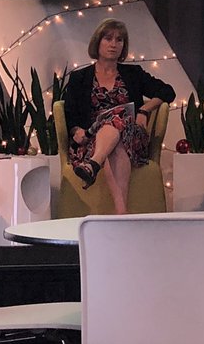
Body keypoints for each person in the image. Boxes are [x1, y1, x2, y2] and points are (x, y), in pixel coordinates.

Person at [63, 18, 175, 214]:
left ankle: (93, 165)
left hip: (132, 137)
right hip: (93, 139)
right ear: (97, 42)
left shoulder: (133, 73)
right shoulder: (79, 77)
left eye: (119, 40)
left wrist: (144, 110)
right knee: (115, 141)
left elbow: (167, 91)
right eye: (108, 39)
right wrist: (75, 129)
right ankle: (121, 213)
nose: (114, 44)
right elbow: (70, 112)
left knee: (117, 123)